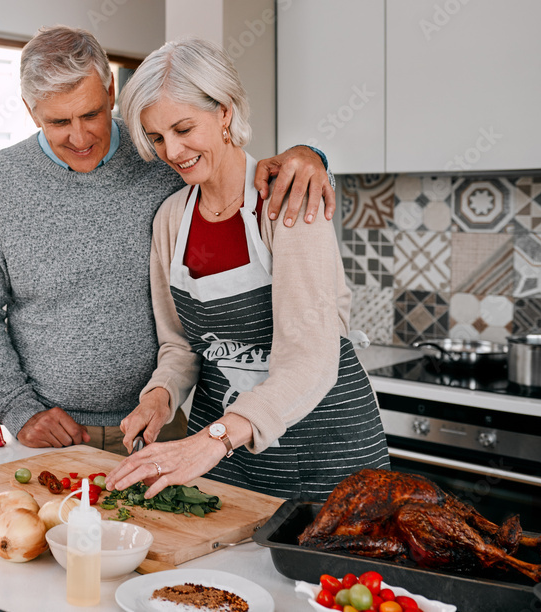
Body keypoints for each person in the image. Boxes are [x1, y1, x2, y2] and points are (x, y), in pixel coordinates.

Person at [0, 26, 336, 454]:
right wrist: (17, 409)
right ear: (30, 110)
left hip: (160, 427)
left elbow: (237, 175)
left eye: (92, 114)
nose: (80, 138)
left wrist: (310, 156)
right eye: (59, 122)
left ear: (111, 88)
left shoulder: (158, 156)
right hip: (48, 433)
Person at [103, 37, 389, 499]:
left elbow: (311, 361)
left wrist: (213, 440)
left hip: (321, 453)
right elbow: (181, 345)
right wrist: (160, 397)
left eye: (183, 128)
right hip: (224, 459)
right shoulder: (172, 219)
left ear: (224, 112)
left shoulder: (288, 201)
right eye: (157, 138)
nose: (172, 151)